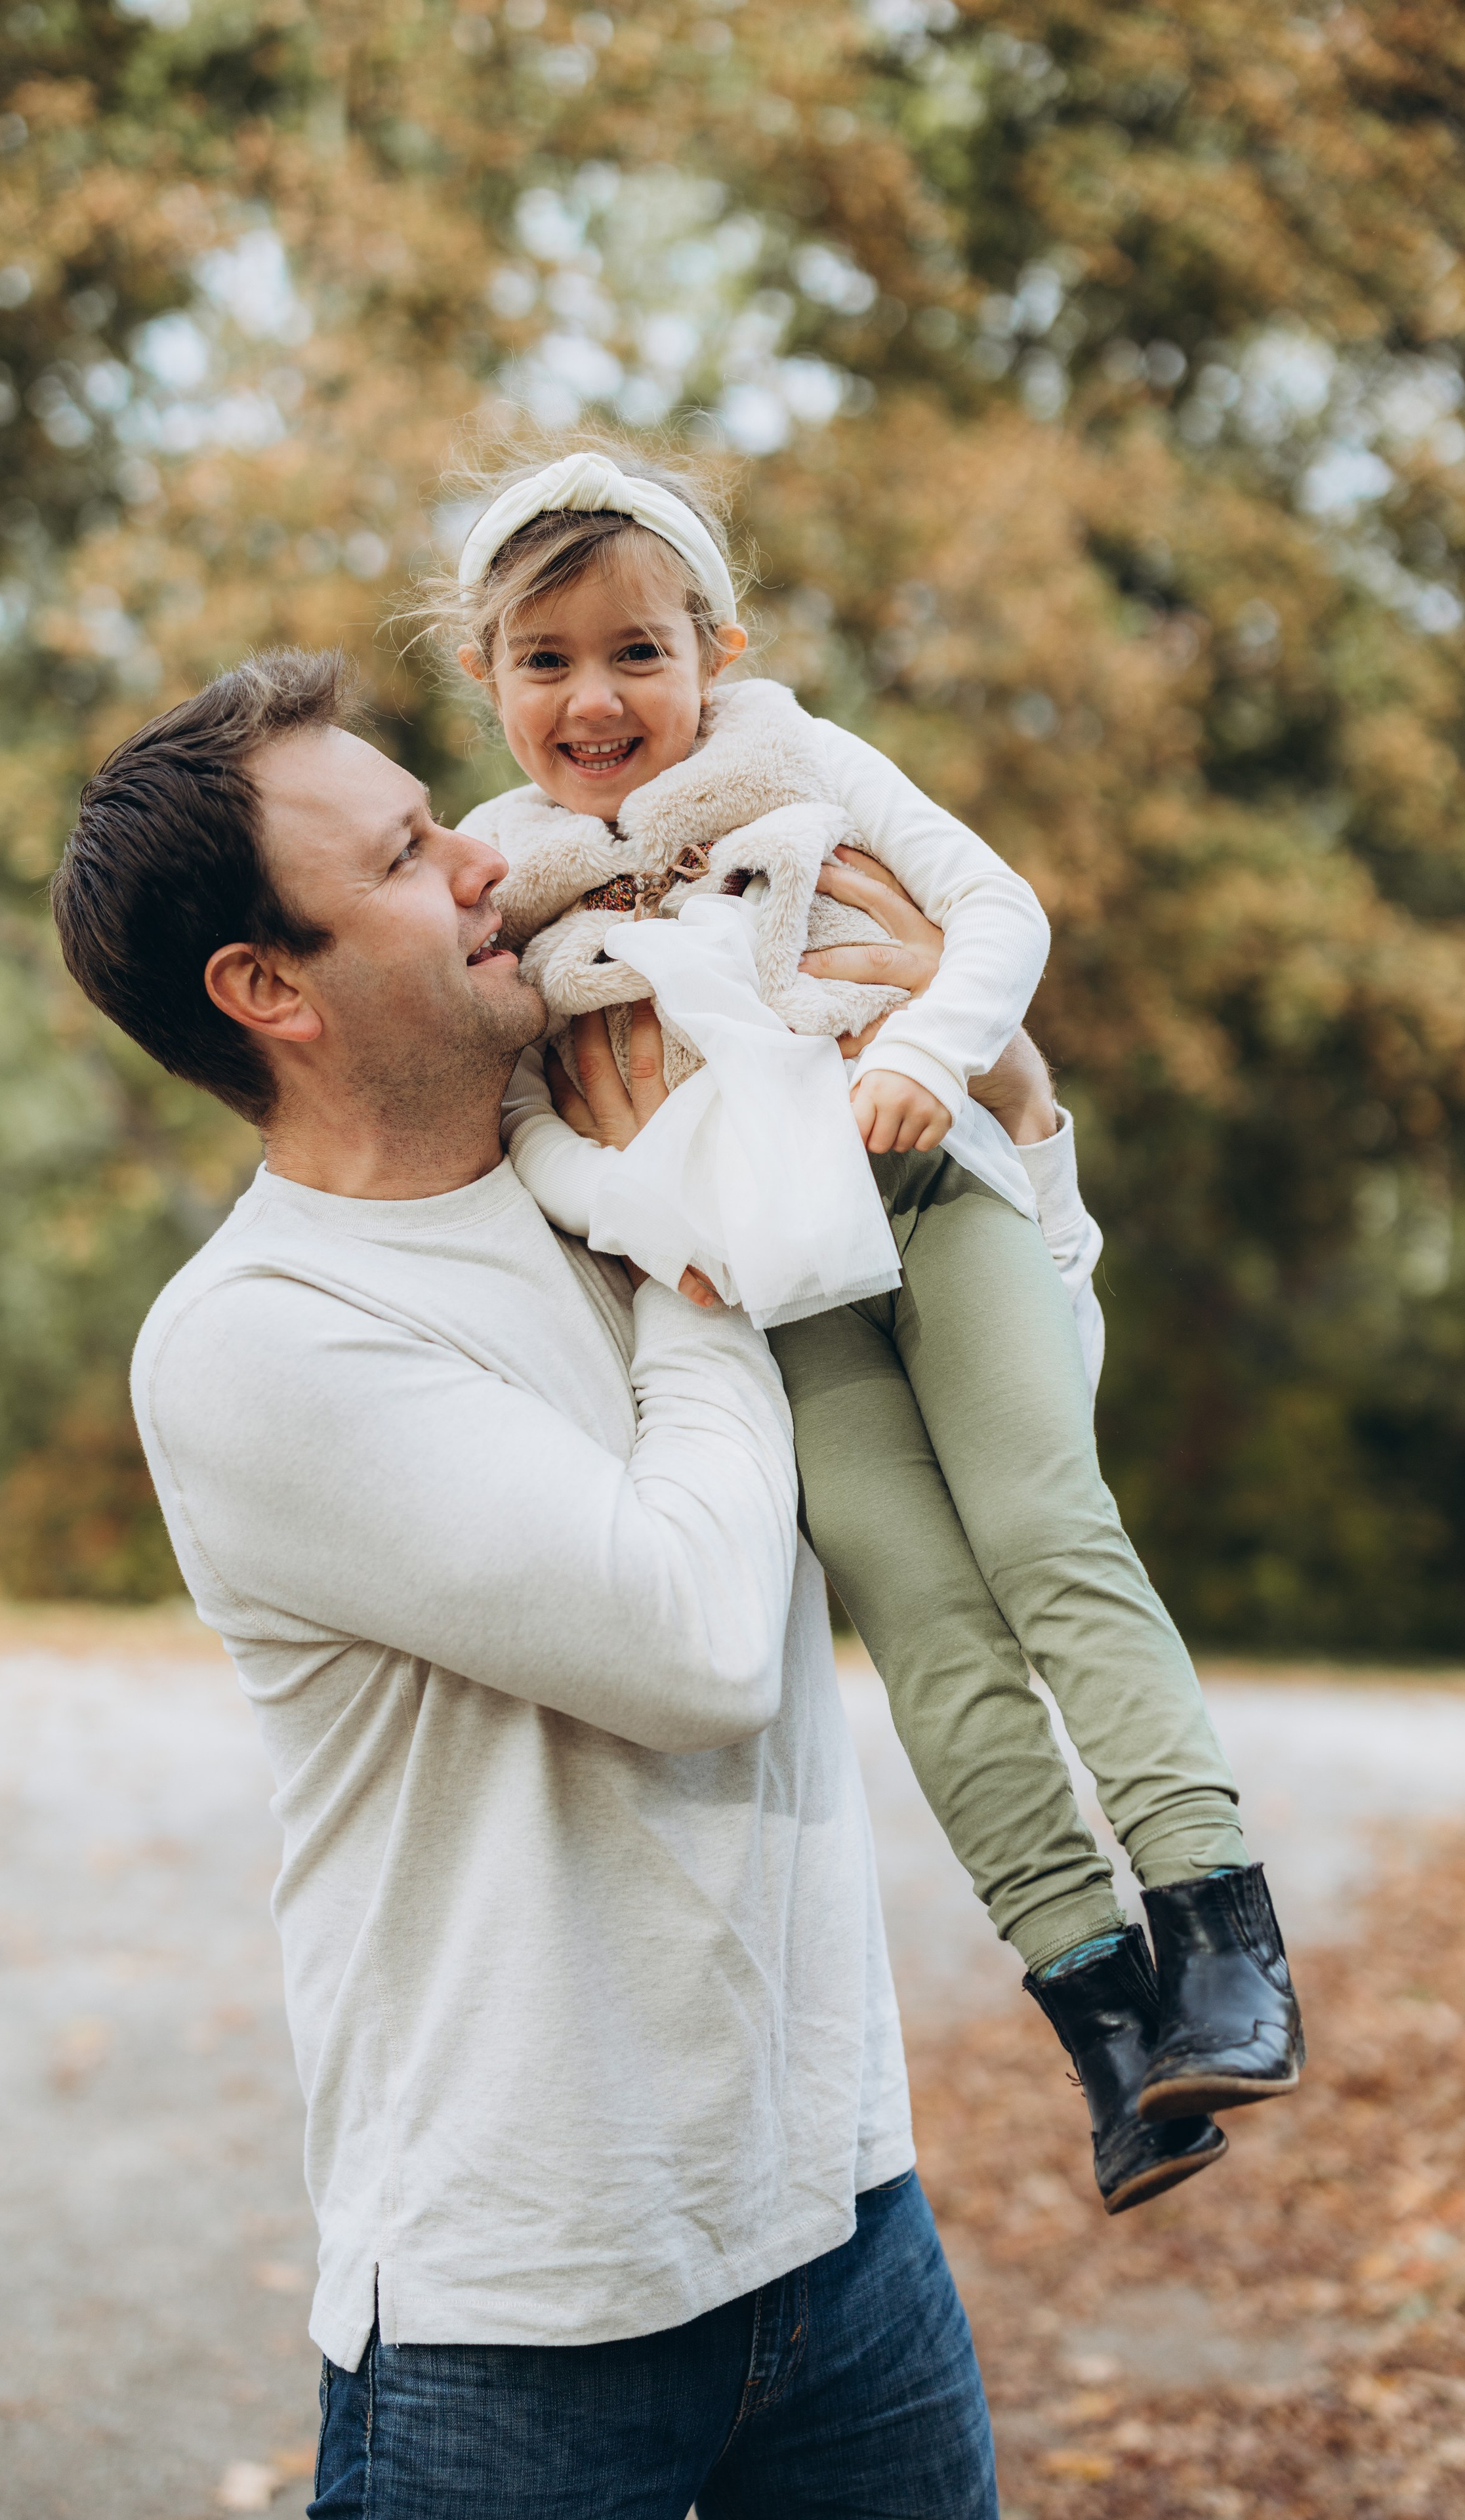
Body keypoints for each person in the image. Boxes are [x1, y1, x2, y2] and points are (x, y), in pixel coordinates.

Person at [50, 648, 1000, 2518]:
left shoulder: (613, 1138)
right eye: (407, 856)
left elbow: (1001, 1465)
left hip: (844, 2218)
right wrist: (696, 1232)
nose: (490, 860)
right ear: (268, 989)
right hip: (523, 2320)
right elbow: (700, 1643)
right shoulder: (261, 1339)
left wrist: (1011, 1105)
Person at [429, 440, 1304, 2216]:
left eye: (640, 651)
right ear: (486, 676)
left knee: (1044, 1533)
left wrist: (925, 1051)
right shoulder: (503, 881)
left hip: (928, 1201)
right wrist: (637, 1216)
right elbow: (524, 1115)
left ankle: (1225, 1942)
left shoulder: (805, 763)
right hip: (775, 1281)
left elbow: (997, 910)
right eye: (546, 659)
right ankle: (1108, 2028)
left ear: (719, 648)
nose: (596, 698)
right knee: (922, 1620)